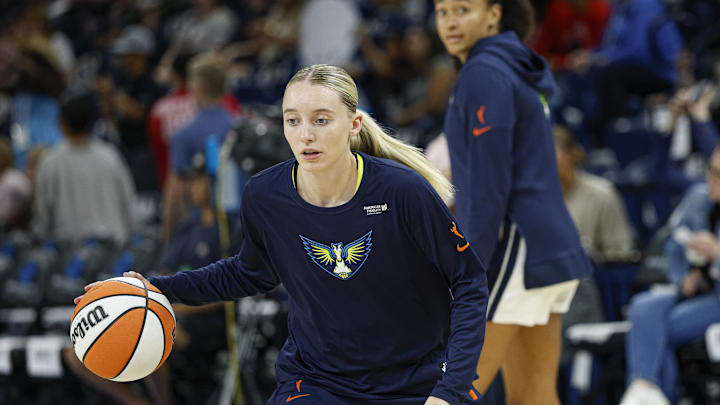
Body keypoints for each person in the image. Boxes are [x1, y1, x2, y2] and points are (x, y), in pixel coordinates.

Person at [76, 64, 488, 405]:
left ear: (353, 124)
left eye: (321, 120)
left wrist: (450, 391)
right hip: (318, 382)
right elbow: (249, 273)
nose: (305, 134)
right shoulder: (265, 194)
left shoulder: (402, 191)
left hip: (415, 383)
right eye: (293, 121)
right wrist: (153, 289)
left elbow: (468, 282)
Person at [434, 1, 593, 403]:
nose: (450, 22)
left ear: (493, 14)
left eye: (462, 9)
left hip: (515, 245)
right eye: (442, 11)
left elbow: (489, 188)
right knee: (534, 396)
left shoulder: (483, 73)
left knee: (448, 393)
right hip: (546, 244)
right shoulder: (512, 66)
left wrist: (468, 270)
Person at [618, 145, 720, 405]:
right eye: (710, 171)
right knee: (643, 306)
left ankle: (647, 389)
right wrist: (683, 276)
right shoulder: (698, 197)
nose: (711, 180)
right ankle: (645, 387)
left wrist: (717, 253)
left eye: (719, 174)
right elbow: (674, 244)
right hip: (695, 290)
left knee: (658, 328)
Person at [34, 92, 135, 246]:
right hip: (114, 250)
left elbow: (43, 216)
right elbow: (129, 203)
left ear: (62, 122)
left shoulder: (50, 161)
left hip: (71, 255)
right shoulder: (110, 155)